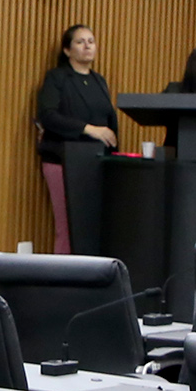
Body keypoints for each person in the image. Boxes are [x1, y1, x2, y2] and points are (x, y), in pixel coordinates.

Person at [35, 25, 118, 255]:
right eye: (80, 42)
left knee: (91, 227)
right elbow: (48, 115)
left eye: (91, 41)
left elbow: (109, 120)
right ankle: (63, 274)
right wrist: (89, 129)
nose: (87, 46)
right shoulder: (57, 78)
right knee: (68, 226)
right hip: (62, 160)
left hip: (96, 161)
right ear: (67, 50)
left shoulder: (99, 80)